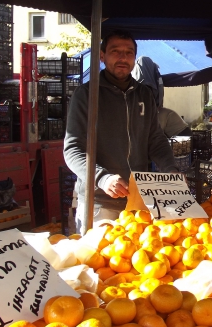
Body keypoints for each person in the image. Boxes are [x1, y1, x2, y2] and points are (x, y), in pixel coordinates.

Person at [64, 30, 179, 233]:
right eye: (115, 51)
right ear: (102, 55)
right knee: (99, 260)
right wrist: (103, 177)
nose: (123, 58)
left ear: (135, 57)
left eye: (129, 52)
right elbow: (73, 149)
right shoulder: (86, 95)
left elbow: (156, 139)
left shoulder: (144, 94)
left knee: (140, 259)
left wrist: (170, 169)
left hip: (140, 200)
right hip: (100, 201)